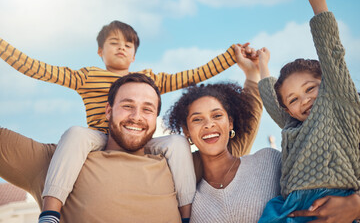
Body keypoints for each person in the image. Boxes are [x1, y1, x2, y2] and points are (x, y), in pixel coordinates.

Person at [0, 20, 239, 222]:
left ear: (134, 55)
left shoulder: (148, 81)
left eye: (128, 45)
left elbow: (193, 75)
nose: (122, 48)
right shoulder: (87, 77)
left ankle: (187, 215)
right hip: (98, 139)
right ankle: (51, 212)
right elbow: (39, 69)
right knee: (75, 134)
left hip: (142, 141)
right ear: (100, 51)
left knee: (177, 142)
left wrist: (231, 56)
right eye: (114, 43)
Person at [0, 73, 185, 223]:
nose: (136, 116)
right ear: (108, 111)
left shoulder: (176, 165)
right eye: (127, 105)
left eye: (147, 109)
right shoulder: (63, 159)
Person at [257, 0, 360, 222]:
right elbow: (273, 103)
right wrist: (262, 66)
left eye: (310, 89)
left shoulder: (338, 106)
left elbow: (332, 54)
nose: (304, 100)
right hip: (288, 205)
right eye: (293, 99)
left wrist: (317, 2)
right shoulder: (293, 124)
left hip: (331, 198)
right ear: (288, 108)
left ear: (326, 84)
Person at [164, 43, 283, 222]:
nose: (209, 124)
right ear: (186, 131)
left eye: (217, 115)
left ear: (230, 123)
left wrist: (252, 73)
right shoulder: (186, 198)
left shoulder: (268, 161)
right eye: (197, 119)